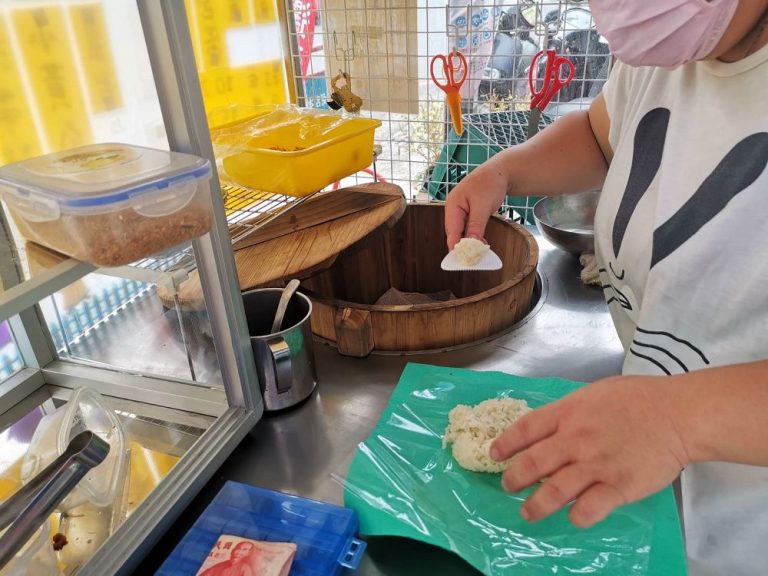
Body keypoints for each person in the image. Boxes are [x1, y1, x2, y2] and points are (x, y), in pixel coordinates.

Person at [443, 2, 768, 575]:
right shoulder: (666, 51)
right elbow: (601, 138)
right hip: (645, 498)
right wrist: (505, 171)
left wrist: (678, 419)